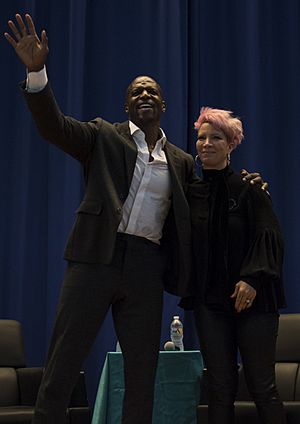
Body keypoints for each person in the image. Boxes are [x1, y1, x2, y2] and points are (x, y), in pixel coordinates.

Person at [4, 13, 264, 424]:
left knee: (142, 376)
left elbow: (208, 202)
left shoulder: (180, 161)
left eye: (152, 91)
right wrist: (37, 73)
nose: (145, 95)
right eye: (136, 92)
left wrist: (246, 181)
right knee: (63, 364)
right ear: (127, 105)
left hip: (146, 268)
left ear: (163, 105)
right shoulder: (103, 135)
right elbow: (54, 127)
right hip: (95, 260)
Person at [185, 107, 287, 424]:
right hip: (210, 304)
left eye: (216, 137)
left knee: (262, 387)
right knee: (219, 389)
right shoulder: (191, 193)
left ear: (231, 144)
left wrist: (252, 279)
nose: (207, 144)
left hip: (254, 302)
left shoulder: (250, 188)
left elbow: (270, 237)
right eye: (201, 138)